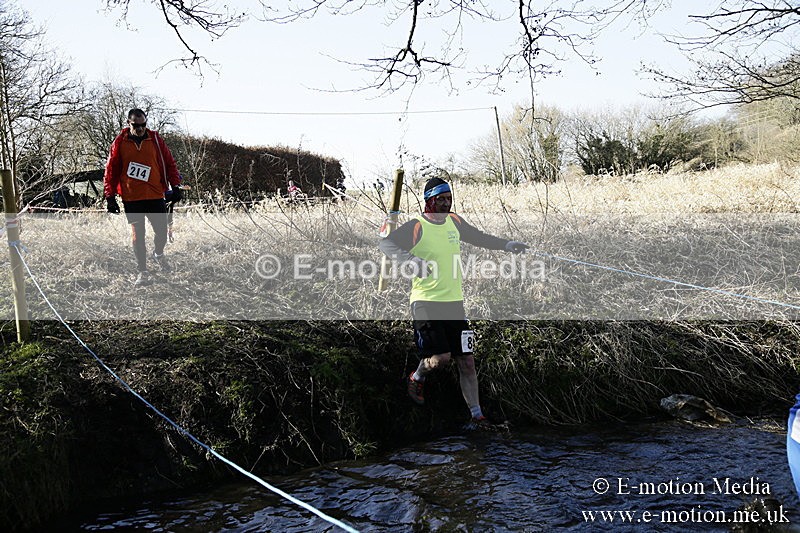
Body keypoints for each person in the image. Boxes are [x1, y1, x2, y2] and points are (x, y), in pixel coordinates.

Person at [379, 176, 529, 428]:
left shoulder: (455, 222)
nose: (446, 203)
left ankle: (477, 415)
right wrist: (410, 260)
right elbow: (386, 243)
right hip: (425, 302)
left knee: (467, 362)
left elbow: (479, 237)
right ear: (430, 201)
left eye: (449, 198)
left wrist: (507, 244)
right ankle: (416, 376)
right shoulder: (417, 226)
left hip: (454, 304)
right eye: (441, 199)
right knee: (441, 358)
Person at [104, 108, 183, 286]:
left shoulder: (155, 139)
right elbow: (110, 170)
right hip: (132, 198)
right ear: (128, 123)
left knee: (162, 232)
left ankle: (158, 254)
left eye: (143, 125)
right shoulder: (119, 143)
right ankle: (142, 272)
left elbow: (170, 163)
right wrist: (109, 196)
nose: (140, 129)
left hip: (155, 195)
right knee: (137, 235)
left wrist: (175, 185)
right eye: (136, 125)